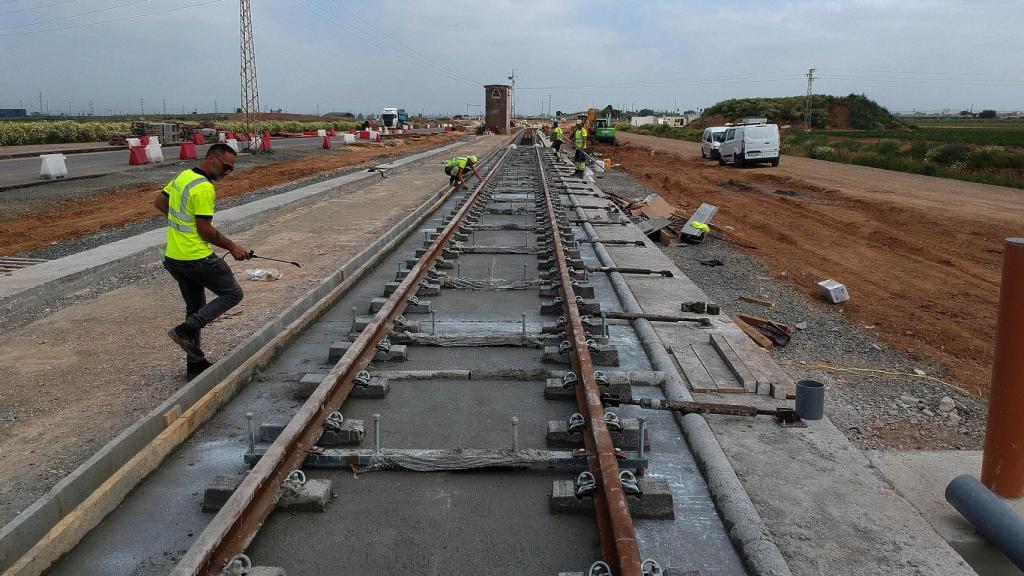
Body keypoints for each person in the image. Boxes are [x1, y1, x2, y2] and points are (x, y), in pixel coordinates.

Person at [153, 143, 250, 380]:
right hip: (196, 257)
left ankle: (195, 365)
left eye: (231, 170)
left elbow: (159, 202)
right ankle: (184, 330)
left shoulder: (183, 176)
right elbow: (206, 231)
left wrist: (181, 224)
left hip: (174, 257)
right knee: (233, 293)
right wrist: (233, 246)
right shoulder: (205, 188)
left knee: (195, 307)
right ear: (213, 160)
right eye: (227, 168)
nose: (228, 173)